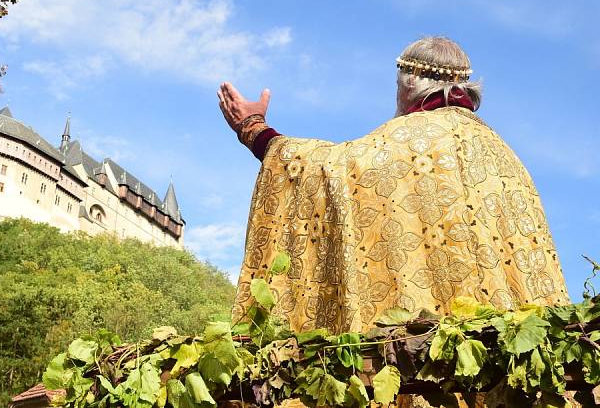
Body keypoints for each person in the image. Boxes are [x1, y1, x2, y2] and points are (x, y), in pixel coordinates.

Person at [218, 36, 570, 336]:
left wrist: (253, 129)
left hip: (419, 357)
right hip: (503, 349)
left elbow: (329, 172)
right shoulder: (501, 152)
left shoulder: (407, 139)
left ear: (413, 79)